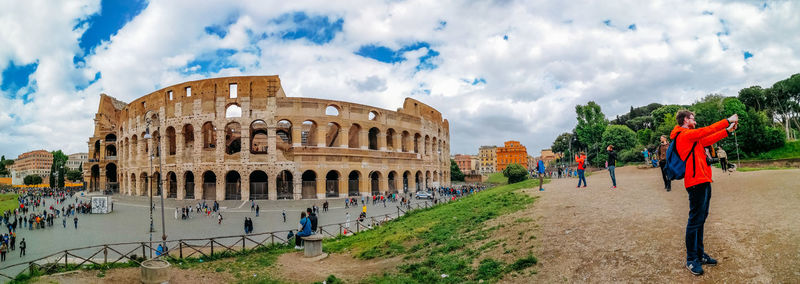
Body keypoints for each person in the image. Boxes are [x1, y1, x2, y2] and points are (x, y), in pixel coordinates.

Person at [671, 110, 738, 276]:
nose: (695, 120)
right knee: (695, 220)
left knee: (700, 219)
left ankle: (699, 255)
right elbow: (706, 130)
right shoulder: (684, 135)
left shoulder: (692, 137)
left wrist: (728, 131)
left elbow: (709, 138)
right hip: (695, 183)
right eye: (693, 118)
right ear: (686, 120)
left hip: (703, 180)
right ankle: (691, 259)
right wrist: (727, 120)